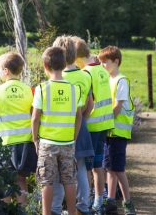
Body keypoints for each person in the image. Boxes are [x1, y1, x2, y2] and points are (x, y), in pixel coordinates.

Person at [31, 46, 82, 215]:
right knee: (69, 180)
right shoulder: (75, 89)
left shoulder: (41, 89)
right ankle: (73, 212)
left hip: (47, 142)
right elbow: (79, 116)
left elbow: (35, 118)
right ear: (65, 63)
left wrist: (35, 139)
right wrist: (73, 137)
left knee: (47, 181)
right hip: (68, 142)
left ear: (46, 66)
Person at [0, 52, 37, 205]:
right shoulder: (30, 90)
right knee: (21, 180)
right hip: (26, 142)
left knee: (5, 180)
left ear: (6, 70)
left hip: (5, 142)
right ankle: (23, 210)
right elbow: (35, 116)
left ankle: (5, 210)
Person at [51, 35, 94, 215]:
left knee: (62, 170)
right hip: (81, 125)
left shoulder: (59, 78)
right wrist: (82, 118)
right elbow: (90, 103)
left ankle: (58, 206)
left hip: (62, 128)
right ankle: (83, 205)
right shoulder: (85, 75)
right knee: (82, 167)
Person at [72, 36, 114, 214]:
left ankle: (88, 201)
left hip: (92, 125)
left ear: (76, 57)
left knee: (87, 167)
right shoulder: (102, 70)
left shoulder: (86, 73)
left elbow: (88, 101)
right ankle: (99, 200)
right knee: (99, 165)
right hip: (105, 123)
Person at [98, 46, 136, 215]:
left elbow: (117, 107)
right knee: (109, 168)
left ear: (116, 61)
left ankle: (128, 203)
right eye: (100, 62)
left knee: (118, 169)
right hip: (109, 132)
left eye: (105, 62)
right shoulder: (107, 80)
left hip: (118, 133)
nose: (102, 65)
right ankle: (111, 201)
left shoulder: (121, 80)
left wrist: (102, 120)